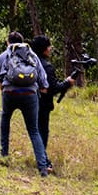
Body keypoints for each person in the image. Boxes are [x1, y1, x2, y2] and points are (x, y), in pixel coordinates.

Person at [0, 31, 51, 176]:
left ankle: (4, 154)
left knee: (5, 118)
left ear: (8, 42)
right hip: (30, 95)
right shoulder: (32, 55)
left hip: (9, 93)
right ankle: (43, 168)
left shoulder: (4, 55)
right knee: (34, 130)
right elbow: (44, 83)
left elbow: (1, 82)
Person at [30, 34, 73, 173]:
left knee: (35, 131)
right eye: (49, 46)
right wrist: (67, 83)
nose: (50, 48)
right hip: (43, 105)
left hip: (30, 101)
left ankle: (42, 160)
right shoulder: (46, 67)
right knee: (42, 132)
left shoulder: (29, 62)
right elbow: (52, 89)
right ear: (43, 49)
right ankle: (44, 162)